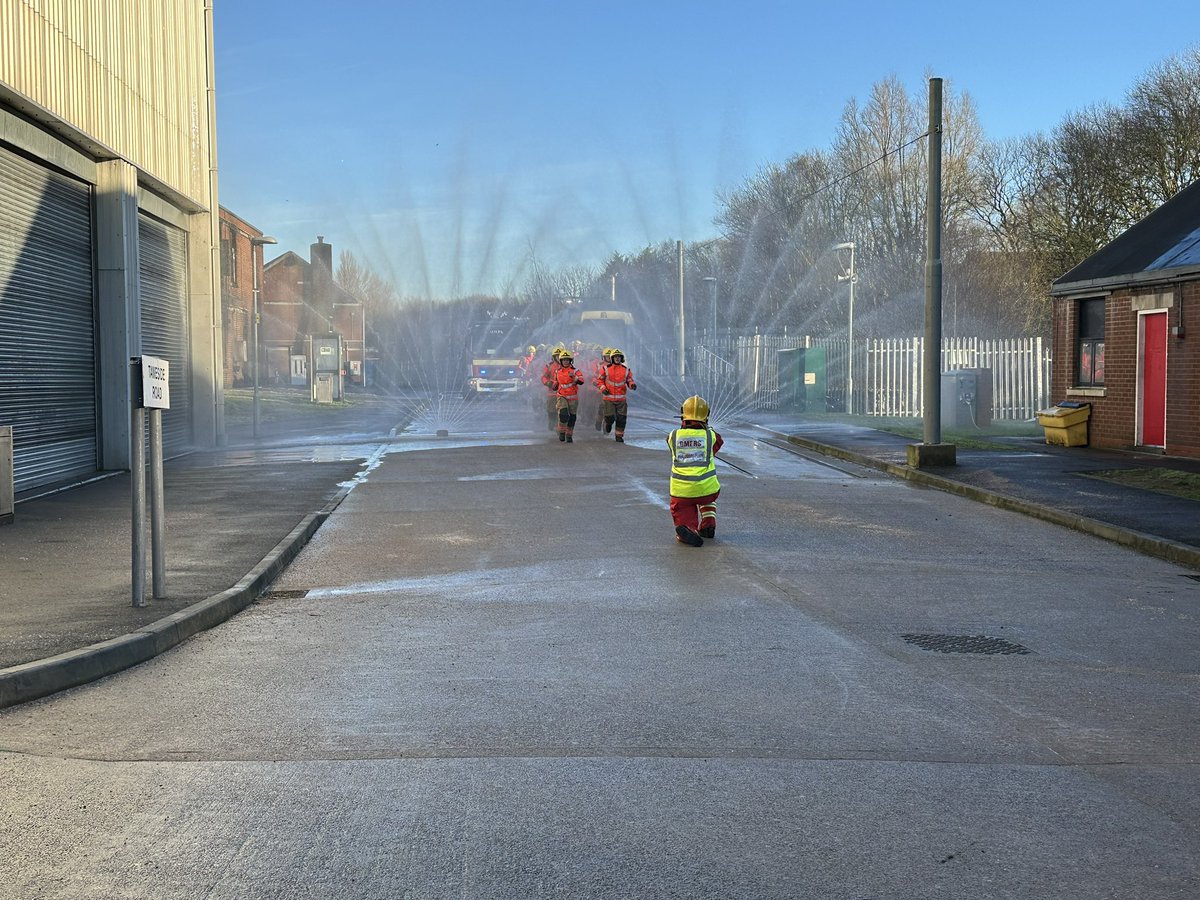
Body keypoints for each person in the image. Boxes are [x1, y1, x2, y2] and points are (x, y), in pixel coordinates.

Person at [667, 395, 722, 547]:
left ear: (683, 415)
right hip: (707, 490)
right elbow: (717, 444)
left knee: (682, 508)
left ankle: (688, 529)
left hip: (682, 493)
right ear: (706, 416)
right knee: (706, 498)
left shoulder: (673, 436)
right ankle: (708, 524)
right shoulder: (711, 436)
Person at [599, 348, 637, 442]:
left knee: (621, 419)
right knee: (609, 417)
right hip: (608, 399)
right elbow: (600, 380)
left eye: (619, 357)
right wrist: (603, 388)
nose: (617, 358)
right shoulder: (605, 369)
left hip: (621, 400)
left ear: (621, 358)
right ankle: (607, 423)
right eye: (615, 357)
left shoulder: (626, 370)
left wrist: (632, 385)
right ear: (612, 358)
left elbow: (629, 380)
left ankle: (619, 436)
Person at [551, 349, 586, 442]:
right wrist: (554, 386)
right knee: (563, 414)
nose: (565, 362)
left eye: (567, 360)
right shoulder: (557, 371)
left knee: (572, 418)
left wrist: (574, 377)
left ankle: (569, 435)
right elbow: (556, 382)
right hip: (561, 396)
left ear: (571, 360)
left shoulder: (575, 371)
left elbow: (582, 380)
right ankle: (561, 432)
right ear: (561, 361)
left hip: (573, 397)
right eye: (564, 360)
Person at [540, 347, 564, 431]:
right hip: (552, 393)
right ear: (553, 357)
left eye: (560, 356)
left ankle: (560, 427)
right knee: (551, 410)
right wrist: (547, 383)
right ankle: (551, 421)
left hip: (564, 393)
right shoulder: (549, 366)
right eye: (557, 356)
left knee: (563, 411)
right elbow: (543, 377)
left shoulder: (567, 366)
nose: (559, 358)